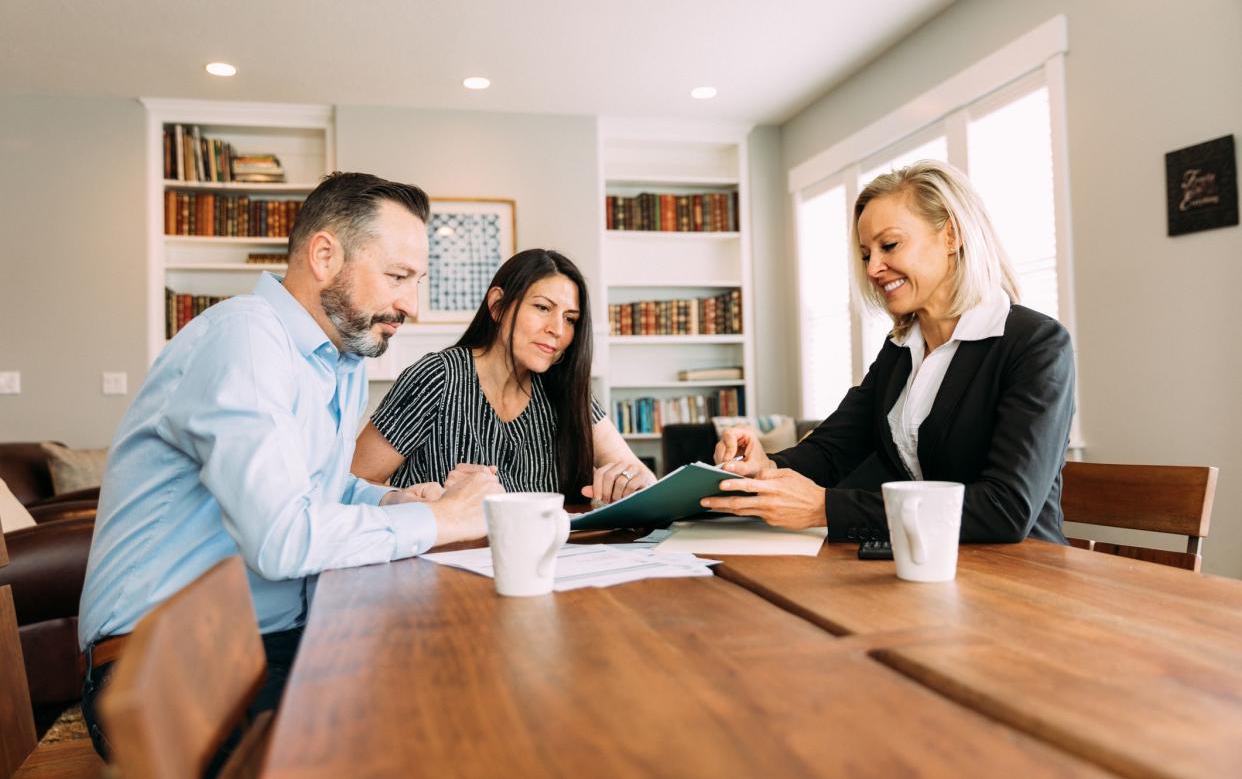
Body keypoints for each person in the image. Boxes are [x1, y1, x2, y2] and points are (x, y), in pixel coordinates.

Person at [78, 172, 502, 759]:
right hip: (165, 671)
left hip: (268, 642)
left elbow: (313, 488)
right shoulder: (245, 337)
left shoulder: (339, 361)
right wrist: (449, 520)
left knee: (458, 692)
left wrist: (391, 500)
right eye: (399, 277)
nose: (413, 305)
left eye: (418, 281)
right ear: (324, 255)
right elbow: (282, 537)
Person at [706, 160, 1075, 544]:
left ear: (952, 235)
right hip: (928, 565)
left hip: (1022, 577)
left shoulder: (1036, 344)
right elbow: (834, 449)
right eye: (866, 254)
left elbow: (1005, 509)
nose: (873, 268)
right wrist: (766, 466)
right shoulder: (901, 349)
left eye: (890, 245)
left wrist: (825, 508)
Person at [352, 248, 656, 506]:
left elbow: (638, 474)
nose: (558, 330)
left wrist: (635, 480)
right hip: (440, 563)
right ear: (498, 306)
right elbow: (354, 482)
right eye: (542, 307)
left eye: (570, 319)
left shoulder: (565, 388)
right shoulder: (437, 377)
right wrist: (426, 501)